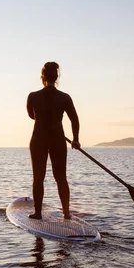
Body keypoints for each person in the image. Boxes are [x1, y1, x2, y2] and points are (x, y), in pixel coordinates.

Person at [26, 62, 80, 219]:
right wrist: (75, 139)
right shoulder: (64, 97)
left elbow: (31, 115)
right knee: (61, 177)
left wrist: (43, 117)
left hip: (38, 139)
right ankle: (67, 213)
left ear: (42, 77)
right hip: (57, 139)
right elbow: (74, 120)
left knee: (38, 178)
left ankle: (37, 213)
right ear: (57, 77)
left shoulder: (33, 96)